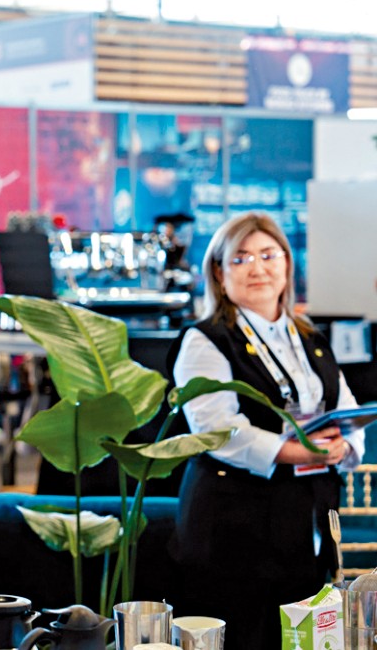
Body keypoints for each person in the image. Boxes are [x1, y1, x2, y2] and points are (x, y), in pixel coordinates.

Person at [167, 212, 365, 650]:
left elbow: (346, 405)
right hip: (233, 524)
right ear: (219, 272)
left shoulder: (309, 335)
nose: (258, 268)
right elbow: (216, 428)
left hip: (306, 515)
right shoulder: (206, 339)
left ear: (287, 265)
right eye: (241, 258)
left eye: (268, 255)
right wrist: (299, 453)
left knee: (303, 634)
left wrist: (343, 446)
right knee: (246, 634)